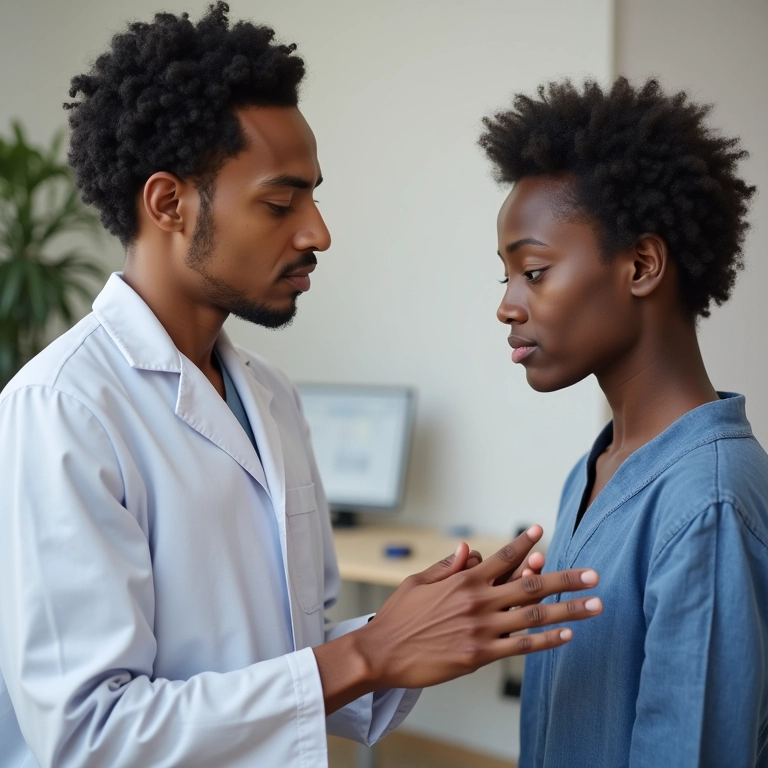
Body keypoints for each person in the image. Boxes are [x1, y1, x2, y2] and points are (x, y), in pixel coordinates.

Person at [0, 6, 604, 767]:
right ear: (168, 204)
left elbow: (296, 651)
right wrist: (372, 652)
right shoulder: (61, 409)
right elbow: (90, 735)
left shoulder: (271, 396)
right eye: (281, 204)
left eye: (313, 198)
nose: (317, 232)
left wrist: (431, 620)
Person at [480, 77, 768, 767]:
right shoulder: (601, 464)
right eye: (506, 278)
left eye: (535, 271)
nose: (508, 307)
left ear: (641, 264)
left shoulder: (708, 502)